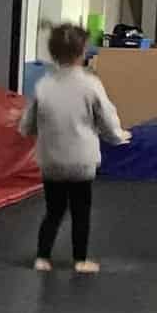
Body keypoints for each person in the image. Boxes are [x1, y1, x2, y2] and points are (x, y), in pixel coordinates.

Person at [19, 23, 127, 273]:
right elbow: (106, 118)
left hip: (51, 160)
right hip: (81, 161)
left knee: (53, 210)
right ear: (82, 52)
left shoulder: (44, 85)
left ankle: (42, 257)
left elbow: (28, 123)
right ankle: (80, 260)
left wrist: (27, 131)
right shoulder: (91, 84)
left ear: (53, 53)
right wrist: (118, 136)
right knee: (81, 211)